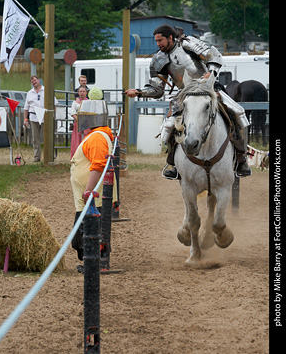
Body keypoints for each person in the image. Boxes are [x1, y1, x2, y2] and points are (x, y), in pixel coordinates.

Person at [126, 24, 251, 179]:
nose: (158, 44)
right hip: (184, 95)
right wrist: (139, 92)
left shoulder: (187, 43)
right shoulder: (158, 59)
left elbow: (214, 55)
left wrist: (210, 73)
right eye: (156, 41)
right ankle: (173, 164)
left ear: (170, 37)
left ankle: (241, 159)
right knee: (168, 127)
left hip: (209, 89)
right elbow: (157, 89)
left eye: (161, 40)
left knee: (239, 113)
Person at [70, 96, 117, 261]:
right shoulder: (96, 135)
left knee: (83, 237)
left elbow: (98, 166)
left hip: (91, 199)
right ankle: (94, 260)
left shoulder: (97, 137)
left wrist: (88, 192)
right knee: (81, 238)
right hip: (87, 198)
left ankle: (94, 263)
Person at [24, 75, 58, 162]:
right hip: (33, 117)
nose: (34, 82)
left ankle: (49, 155)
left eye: (35, 80)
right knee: (35, 138)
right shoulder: (29, 93)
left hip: (45, 116)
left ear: (39, 80)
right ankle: (37, 156)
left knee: (48, 137)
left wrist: (54, 115)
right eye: (32, 81)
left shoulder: (46, 90)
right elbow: (26, 108)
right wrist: (25, 119)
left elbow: (55, 103)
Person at [70, 85, 91, 158]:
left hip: (87, 123)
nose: (82, 93)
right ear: (78, 93)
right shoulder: (75, 102)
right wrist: (78, 120)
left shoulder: (89, 101)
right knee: (77, 140)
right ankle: (77, 157)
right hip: (78, 123)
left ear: (86, 93)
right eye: (80, 91)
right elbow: (72, 112)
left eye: (83, 91)